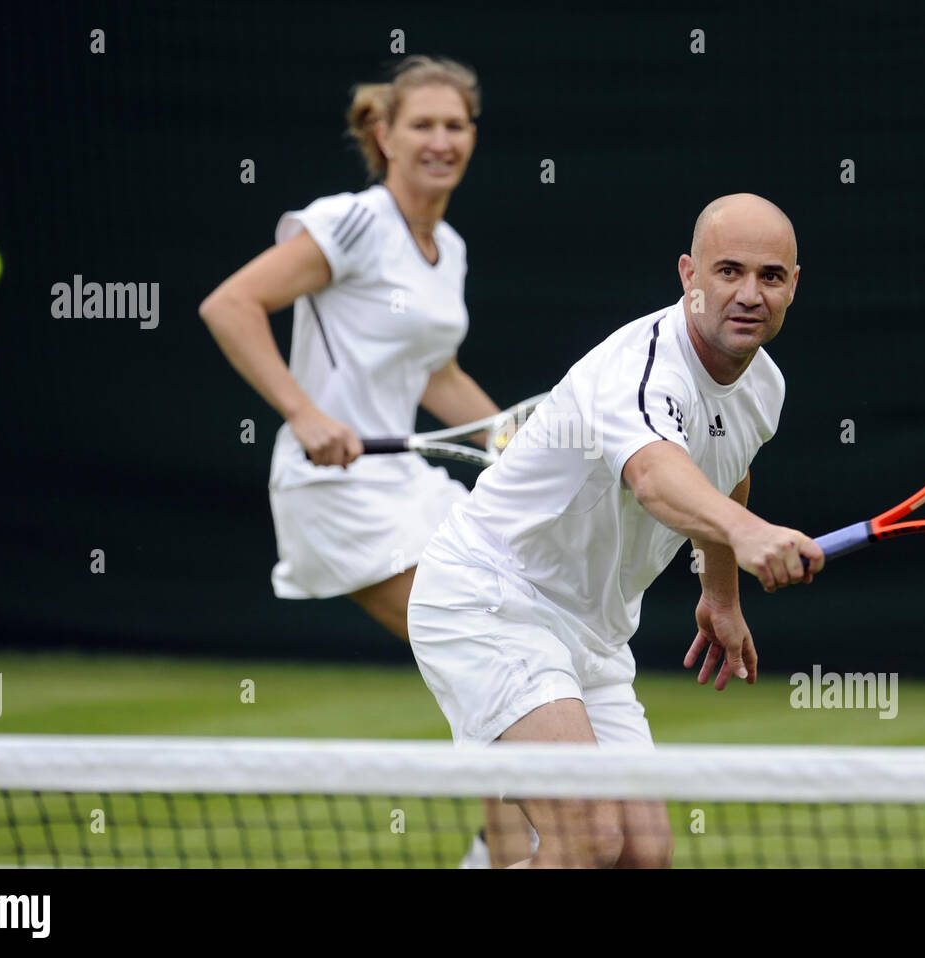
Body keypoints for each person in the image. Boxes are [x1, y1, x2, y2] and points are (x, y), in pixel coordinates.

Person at [407, 193, 826, 868]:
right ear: (689, 276)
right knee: (589, 838)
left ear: (793, 287)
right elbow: (656, 477)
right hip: (489, 599)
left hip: (593, 632)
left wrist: (721, 594)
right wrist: (748, 534)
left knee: (642, 853)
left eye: (770, 277)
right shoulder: (643, 368)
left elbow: (728, 470)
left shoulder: (763, 387)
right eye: (728, 272)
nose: (750, 293)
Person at [198, 55, 532, 867]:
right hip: (333, 490)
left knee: (510, 633)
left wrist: (506, 441)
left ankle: (502, 850)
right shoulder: (350, 221)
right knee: (481, 647)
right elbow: (230, 304)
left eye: (456, 125)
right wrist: (306, 413)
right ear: (382, 134)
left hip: (405, 478)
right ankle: (507, 850)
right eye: (423, 124)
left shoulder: (445, 247)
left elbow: (435, 375)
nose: (441, 141)